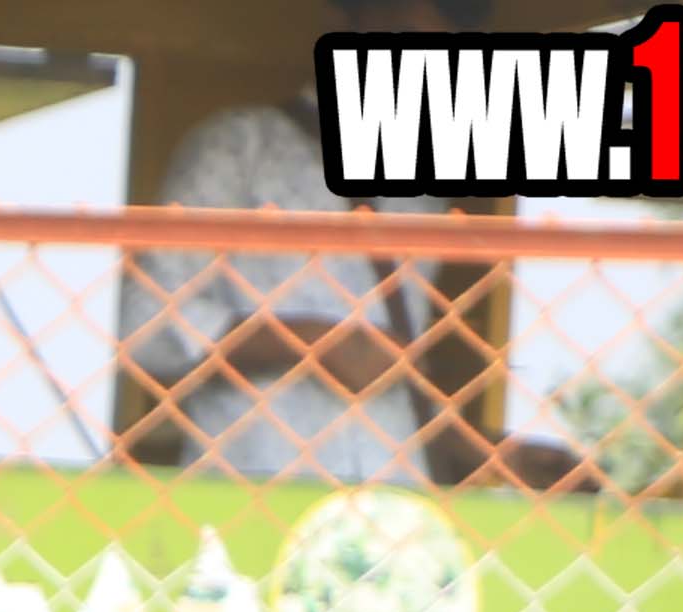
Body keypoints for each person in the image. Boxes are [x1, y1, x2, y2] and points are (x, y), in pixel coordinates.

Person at [120, 92, 442, 485]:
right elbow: (146, 322)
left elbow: (403, 373)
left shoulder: (427, 185)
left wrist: (475, 448)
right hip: (256, 481)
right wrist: (311, 344)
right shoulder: (241, 145)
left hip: (393, 492)